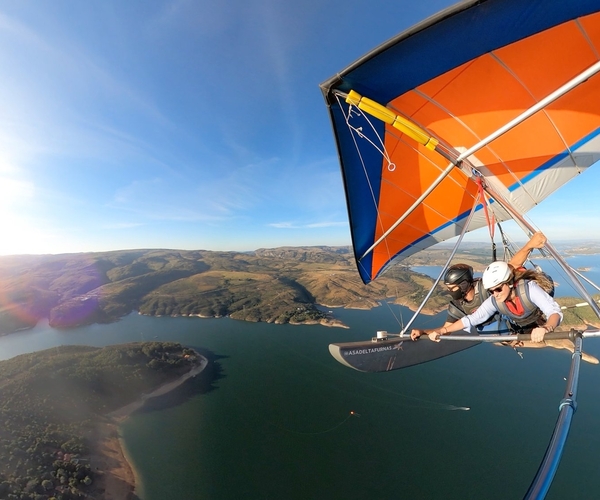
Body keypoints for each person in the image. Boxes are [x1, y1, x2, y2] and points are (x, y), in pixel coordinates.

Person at [410, 232, 547, 340]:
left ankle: (532, 324)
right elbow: (445, 329)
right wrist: (423, 332)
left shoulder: (486, 287)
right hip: (497, 332)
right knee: (487, 329)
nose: (450, 291)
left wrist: (530, 245)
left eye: (452, 288)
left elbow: (512, 266)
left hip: (515, 321)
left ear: (463, 285)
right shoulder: (458, 306)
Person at [428, 260, 562, 343]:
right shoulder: (494, 300)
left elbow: (554, 311)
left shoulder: (528, 289)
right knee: (492, 329)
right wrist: (443, 331)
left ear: (509, 283)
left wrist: (546, 328)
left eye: (498, 289)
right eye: (491, 291)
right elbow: (471, 319)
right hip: (522, 319)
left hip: (535, 311)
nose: (495, 294)